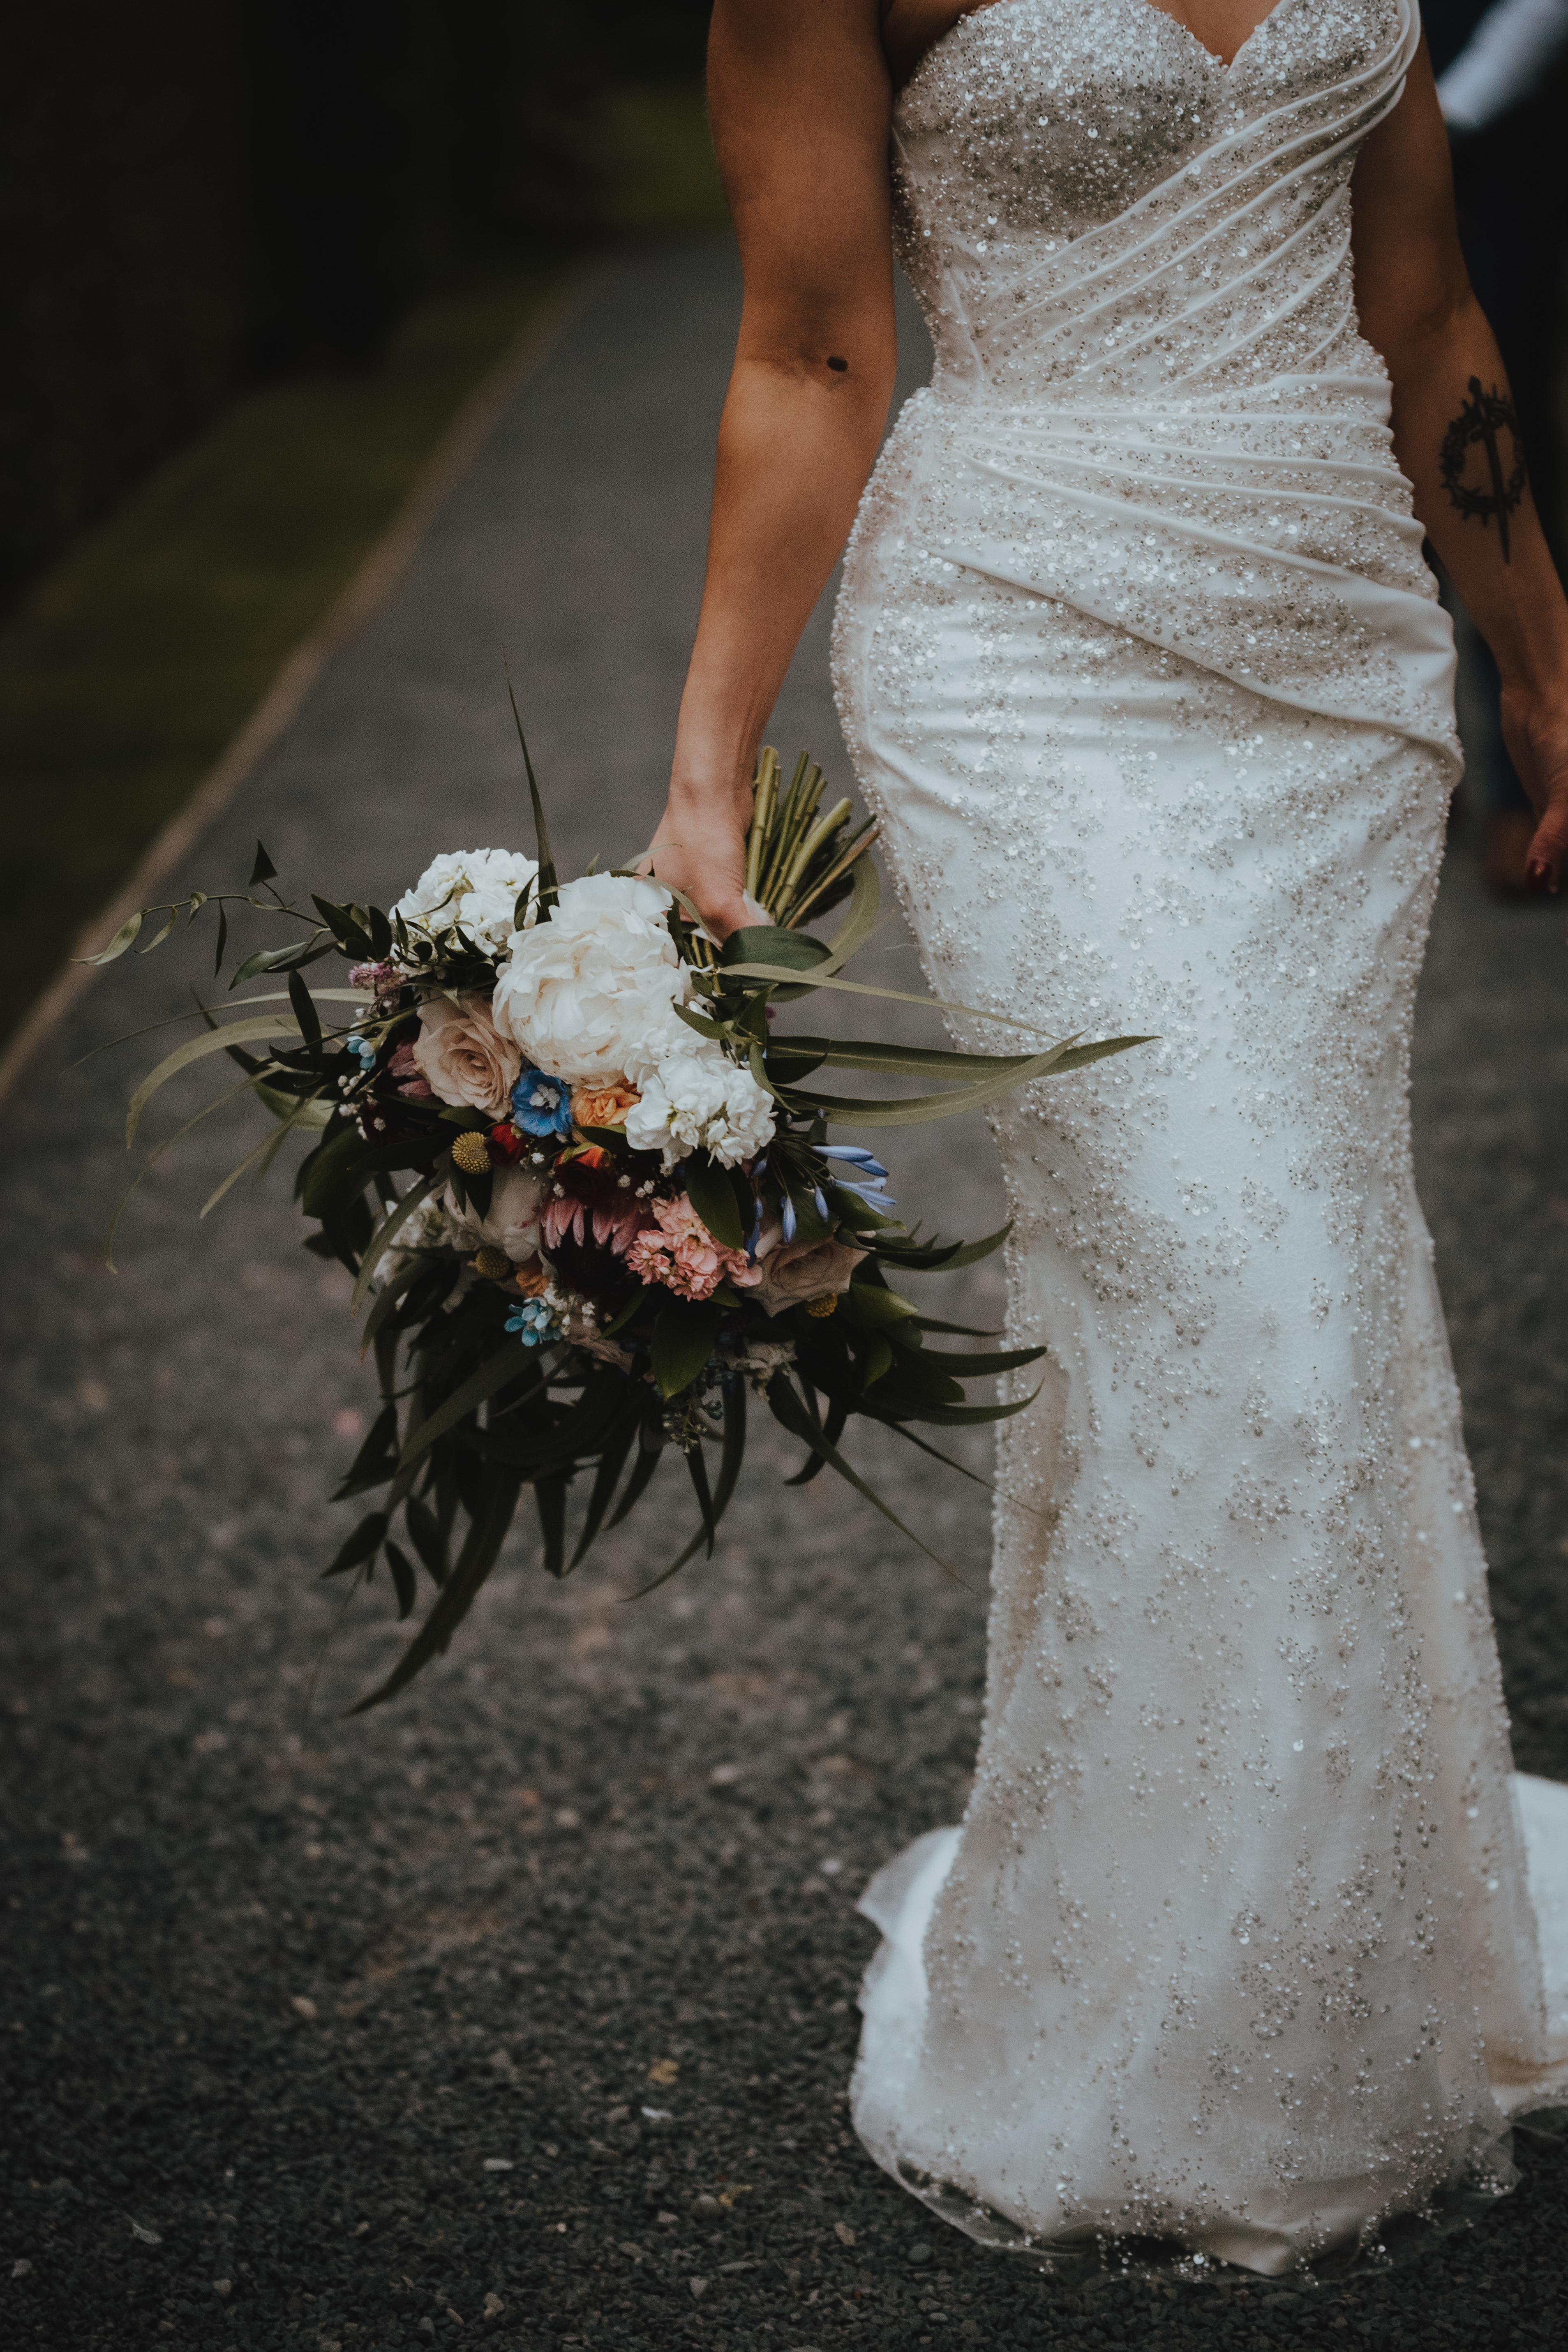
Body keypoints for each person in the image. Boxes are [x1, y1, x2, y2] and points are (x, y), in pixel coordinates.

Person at [648, 0, 1568, 2275]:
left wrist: (1532, 638)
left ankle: (1338, 1918)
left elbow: (1418, 292)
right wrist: (702, 767)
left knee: (1299, 1278)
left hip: (1330, 654)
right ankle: (1149, 2015)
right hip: (1019, 648)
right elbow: (810, 350)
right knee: (1226, 1281)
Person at [1427, 0, 1568, 891]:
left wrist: (1454, 112)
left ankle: (1523, 759)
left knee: (1492, 432)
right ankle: (1415, 735)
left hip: (1494, 140)